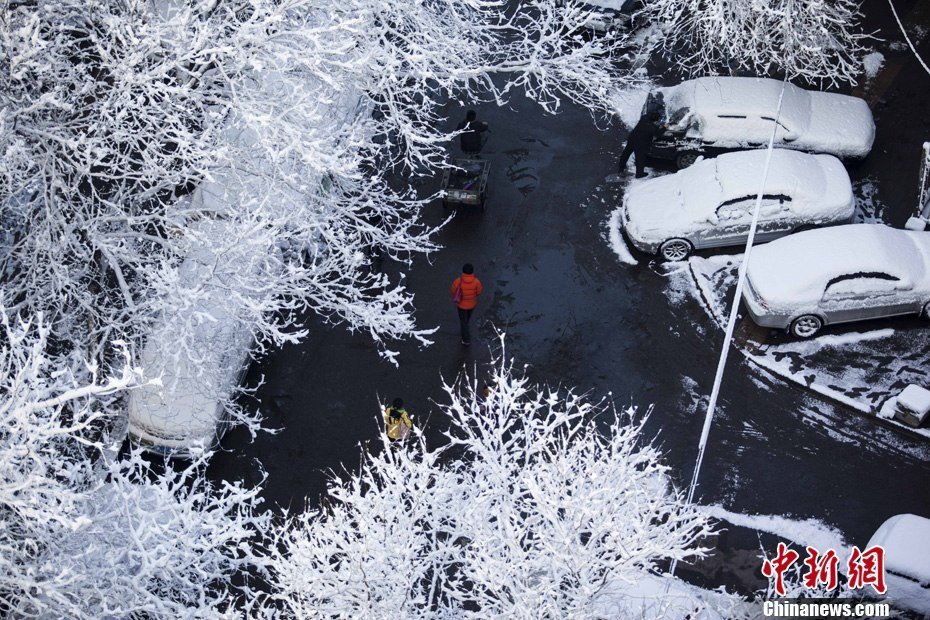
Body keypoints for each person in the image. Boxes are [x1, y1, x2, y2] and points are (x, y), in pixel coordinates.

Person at [618, 113, 662, 178]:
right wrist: (664, 127)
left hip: (632, 138)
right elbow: (658, 133)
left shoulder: (644, 118)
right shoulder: (652, 127)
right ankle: (639, 174)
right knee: (640, 158)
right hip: (640, 144)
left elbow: (648, 116)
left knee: (626, 153)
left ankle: (621, 168)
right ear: (655, 120)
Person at [450, 263, 483, 345]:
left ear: (463, 271)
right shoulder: (476, 282)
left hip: (461, 305)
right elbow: (479, 292)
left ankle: (466, 339)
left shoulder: (458, 281)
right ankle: (466, 327)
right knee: (467, 318)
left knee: (463, 321)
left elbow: (453, 291)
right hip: (472, 305)